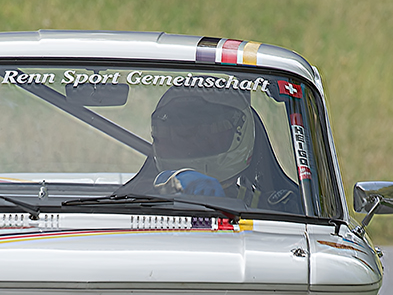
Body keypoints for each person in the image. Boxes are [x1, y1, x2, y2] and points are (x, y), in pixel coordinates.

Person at [119, 82, 300, 212]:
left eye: (206, 130)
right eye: (173, 129)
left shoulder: (284, 211)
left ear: (239, 132)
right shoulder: (127, 203)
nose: (189, 140)